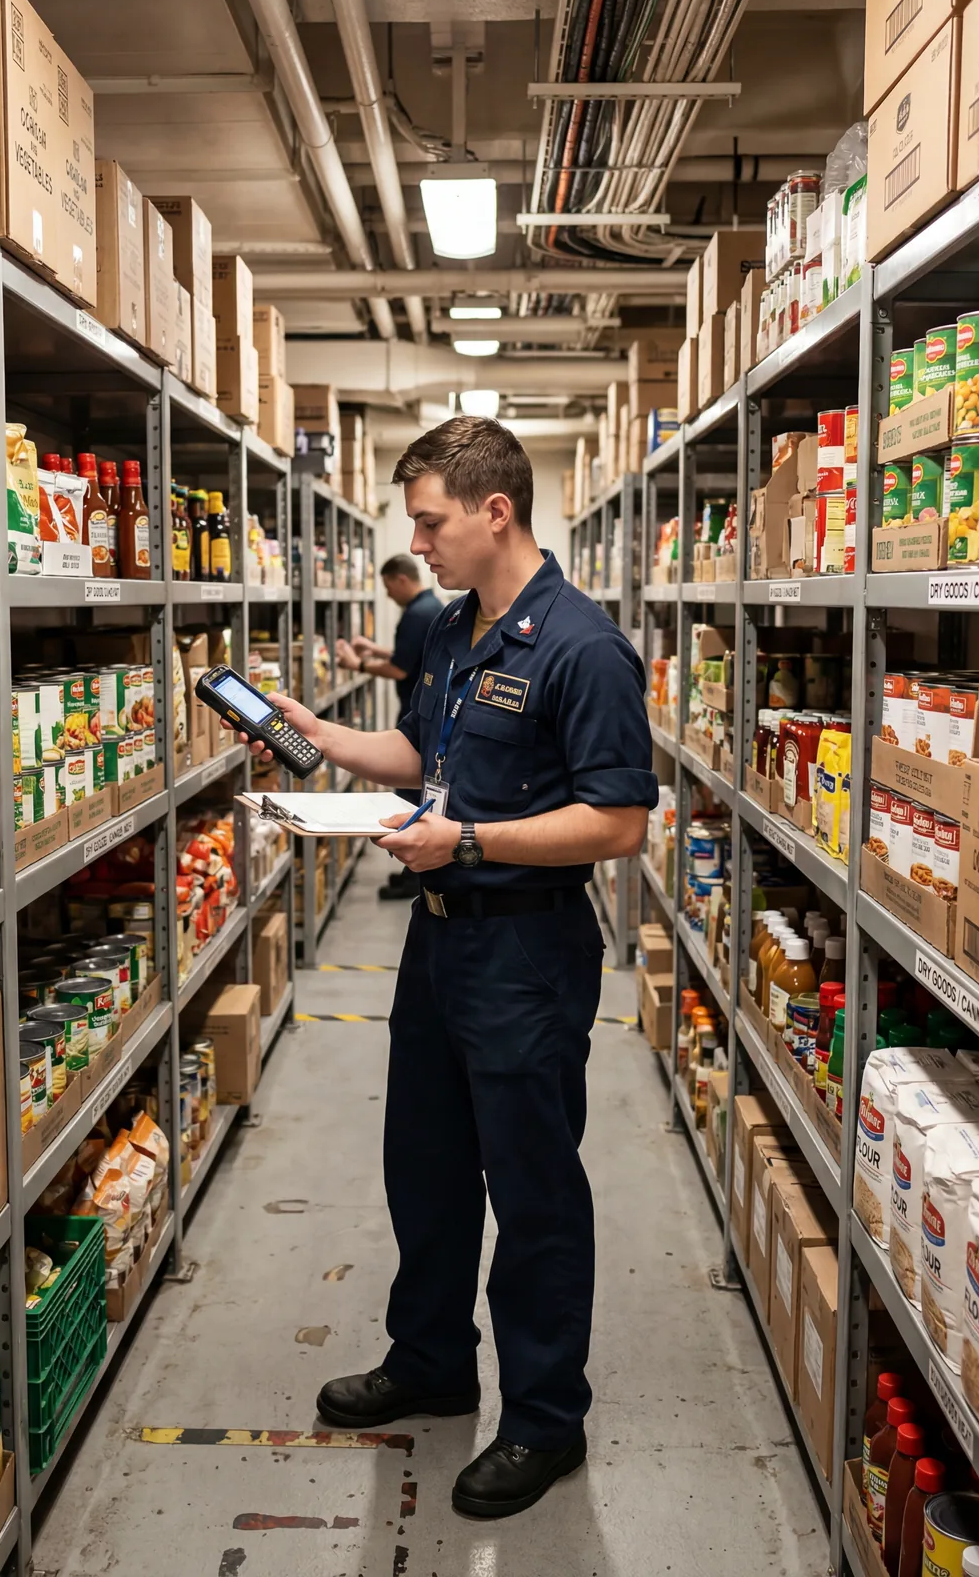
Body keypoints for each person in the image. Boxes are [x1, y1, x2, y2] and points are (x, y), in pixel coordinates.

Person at [227, 416, 657, 1519]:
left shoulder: (582, 646)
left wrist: (467, 841)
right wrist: (317, 733)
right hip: (438, 935)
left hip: (523, 950)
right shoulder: (460, 632)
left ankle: (544, 1418)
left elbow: (616, 825)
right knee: (422, 1161)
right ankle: (428, 1358)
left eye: (429, 521)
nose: (417, 543)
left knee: (532, 1187)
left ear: (493, 510)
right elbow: (423, 757)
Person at [334, 553, 442, 900]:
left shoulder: (417, 614)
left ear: (400, 580)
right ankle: (410, 871)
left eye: (387, 586)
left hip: (415, 712)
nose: (387, 594)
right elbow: (406, 658)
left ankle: (414, 873)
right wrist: (374, 651)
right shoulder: (430, 609)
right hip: (421, 710)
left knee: (411, 797)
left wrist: (358, 665)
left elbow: (399, 670)